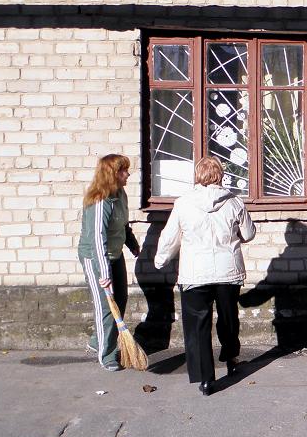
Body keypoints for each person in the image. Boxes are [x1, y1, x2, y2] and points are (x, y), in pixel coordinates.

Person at [154, 156, 255, 396]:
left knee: (197, 325)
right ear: (221, 175)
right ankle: (231, 358)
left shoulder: (183, 203)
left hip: (195, 273)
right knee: (228, 319)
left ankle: (206, 379)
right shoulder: (234, 202)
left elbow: (170, 237)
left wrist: (160, 259)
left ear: (197, 176)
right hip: (227, 272)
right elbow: (248, 234)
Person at [77, 154, 141, 371]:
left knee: (120, 300)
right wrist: (103, 273)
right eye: (123, 171)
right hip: (95, 258)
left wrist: (132, 244)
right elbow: (97, 239)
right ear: (112, 174)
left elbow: (123, 224)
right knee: (105, 306)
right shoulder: (99, 201)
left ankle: (97, 341)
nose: (128, 174)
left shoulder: (120, 195)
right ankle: (107, 355)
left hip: (115, 254)